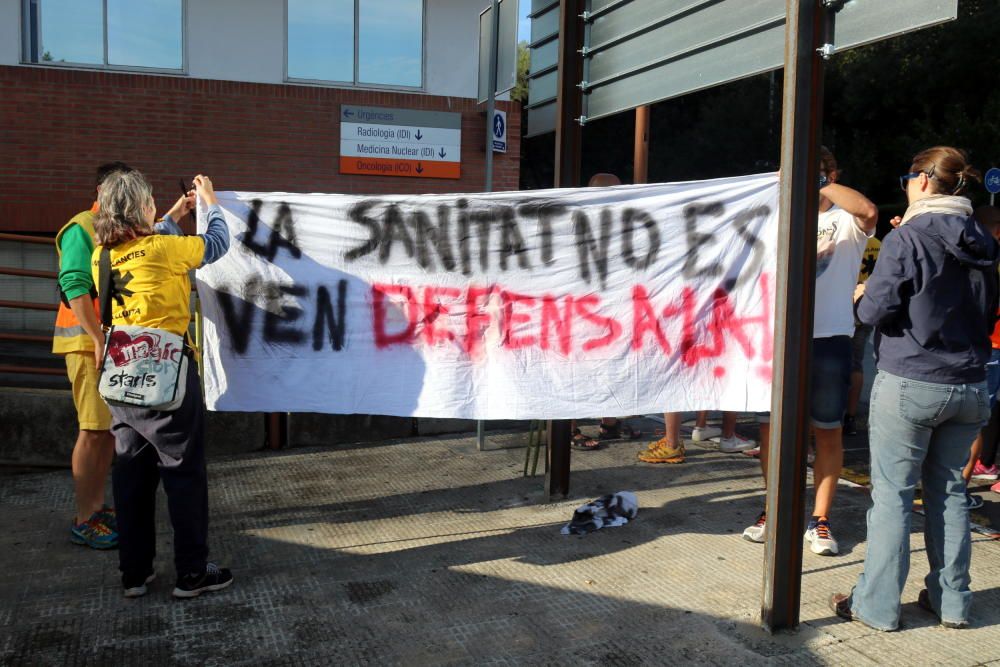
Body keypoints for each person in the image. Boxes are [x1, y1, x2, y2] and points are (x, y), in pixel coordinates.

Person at [831, 146, 996, 631]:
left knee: (893, 498)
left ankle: (877, 606)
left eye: (907, 175)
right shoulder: (984, 240)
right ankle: (952, 603)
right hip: (969, 380)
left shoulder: (908, 238)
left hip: (911, 379)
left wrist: (863, 294)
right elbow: (985, 312)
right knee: (949, 493)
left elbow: (873, 312)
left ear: (923, 180)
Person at [93, 170, 233, 599]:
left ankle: (134, 573)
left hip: (119, 375)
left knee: (131, 474)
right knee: (183, 472)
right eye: (151, 201)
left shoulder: (105, 255)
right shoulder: (166, 249)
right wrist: (210, 204)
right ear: (141, 207)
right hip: (167, 373)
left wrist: (177, 211)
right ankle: (192, 571)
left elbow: (150, 240)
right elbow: (216, 244)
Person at [743, 147, 878, 555]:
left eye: (814, 172)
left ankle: (820, 521)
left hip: (829, 338)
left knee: (827, 431)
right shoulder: (777, 218)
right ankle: (775, 508)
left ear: (830, 173)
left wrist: (819, 182)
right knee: (772, 431)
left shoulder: (844, 219)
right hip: (777, 339)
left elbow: (868, 210)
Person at [54, 162, 193, 549]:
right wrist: (98, 339)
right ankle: (87, 517)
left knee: (111, 433)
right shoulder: (82, 225)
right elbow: (74, 285)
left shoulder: (115, 227)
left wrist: (174, 214)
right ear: (102, 191)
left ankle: (98, 509)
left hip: (115, 346)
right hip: (90, 346)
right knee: (95, 431)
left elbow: (140, 246)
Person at [571, 172, 643, 451]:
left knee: (611, 363)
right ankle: (570, 428)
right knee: (573, 369)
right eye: (617, 191)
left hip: (610, 307)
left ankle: (609, 423)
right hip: (579, 309)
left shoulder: (619, 221)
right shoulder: (579, 220)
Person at [843, 235, 881, 437]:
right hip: (866, 304)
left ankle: (832, 413)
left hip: (843, 305)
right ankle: (850, 417)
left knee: (833, 361)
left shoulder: (848, 241)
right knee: (856, 363)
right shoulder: (877, 244)